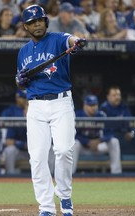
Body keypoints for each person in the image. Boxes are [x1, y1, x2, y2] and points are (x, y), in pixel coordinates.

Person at [15, 4, 86, 216]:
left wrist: (77, 42)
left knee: (64, 150)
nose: (36, 24)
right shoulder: (23, 51)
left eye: (39, 20)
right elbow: (20, 79)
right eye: (31, 22)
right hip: (35, 105)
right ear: (26, 27)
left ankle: (64, 195)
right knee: (37, 158)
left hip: (60, 102)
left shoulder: (56, 39)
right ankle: (46, 207)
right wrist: (20, 80)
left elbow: (71, 40)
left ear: (45, 21)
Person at [72, 95, 122, 174]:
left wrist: (100, 140)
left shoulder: (101, 115)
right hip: (83, 147)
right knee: (75, 143)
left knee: (114, 141)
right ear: (85, 105)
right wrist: (87, 141)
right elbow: (73, 135)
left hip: (98, 147)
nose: (93, 107)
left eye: (95, 105)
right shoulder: (78, 115)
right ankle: (71, 174)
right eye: (90, 105)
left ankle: (116, 173)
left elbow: (110, 133)